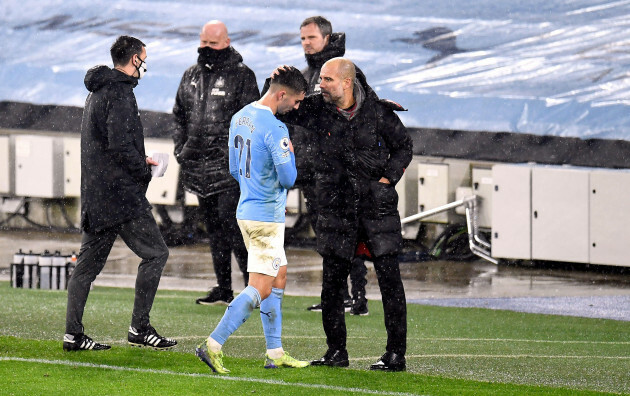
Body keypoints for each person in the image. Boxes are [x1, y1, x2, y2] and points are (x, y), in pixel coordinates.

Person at [277, 58, 412, 371]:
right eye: (320, 79)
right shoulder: (314, 109)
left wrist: (387, 180)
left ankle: (395, 354)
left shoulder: (379, 112)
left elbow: (404, 147)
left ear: (347, 83)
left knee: (391, 283)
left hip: (375, 210)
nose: (320, 85)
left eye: (327, 80)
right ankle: (336, 352)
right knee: (332, 285)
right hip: (335, 208)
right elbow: (277, 104)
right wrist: (276, 80)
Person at [64, 36, 177, 351]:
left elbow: (109, 145)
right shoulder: (120, 93)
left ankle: (72, 335)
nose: (145, 63)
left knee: (86, 268)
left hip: (98, 194)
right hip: (120, 196)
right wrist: (144, 170)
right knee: (156, 253)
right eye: (144, 57)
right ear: (136, 58)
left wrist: (141, 159)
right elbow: (119, 145)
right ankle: (139, 328)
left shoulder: (99, 91)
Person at [195, 66, 310, 373]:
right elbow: (289, 178)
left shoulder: (240, 116)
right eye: (297, 101)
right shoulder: (276, 128)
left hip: (247, 209)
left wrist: (258, 184)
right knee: (260, 287)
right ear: (282, 94)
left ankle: (275, 352)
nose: (296, 107)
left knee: (279, 276)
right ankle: (214, 343)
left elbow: (234, 168)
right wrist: (289, 159)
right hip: (265, 218)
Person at [172, 20, 260, 306]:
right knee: (214, 230)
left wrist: (237, 160)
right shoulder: (190, 75)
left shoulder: (243, 76)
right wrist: (180, 150)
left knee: (235, 228)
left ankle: (252, 289)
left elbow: (251, 121)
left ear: (226, 41)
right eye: (204, 42)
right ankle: (223, 288)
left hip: (230, 170)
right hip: (198, 168)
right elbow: (179, 116)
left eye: (213, 43)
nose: (207, 48)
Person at [298, 16, 369, 316]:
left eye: (311, 38)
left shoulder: (346, 72)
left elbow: (360, 117)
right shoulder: (305, 75)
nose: (306, 43)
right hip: (313, 172)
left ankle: (358, 296)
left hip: (340, 171)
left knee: (348, 234)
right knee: (327, 238)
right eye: (302, 39)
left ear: (327, 38)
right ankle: (338, 295)